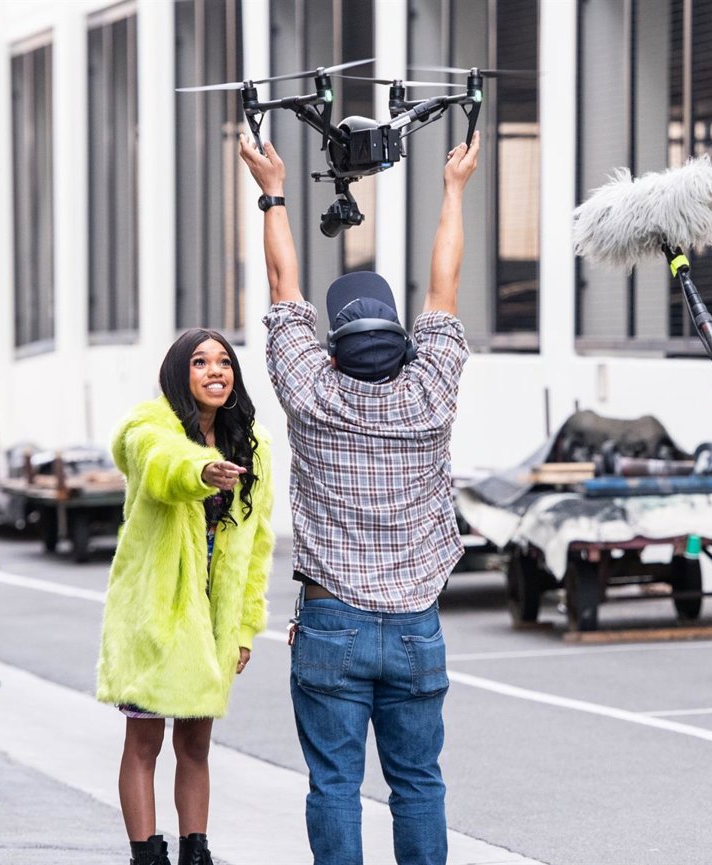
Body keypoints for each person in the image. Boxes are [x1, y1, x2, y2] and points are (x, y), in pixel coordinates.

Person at [239, 129, 480, 865]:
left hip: (330, 622)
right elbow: (444, 286)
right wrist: (454, 189)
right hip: (415, 625)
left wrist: (274, 191)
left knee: (335, 784)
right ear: (402, 340)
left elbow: (283, 289)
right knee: (418, 783)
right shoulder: (431, 393)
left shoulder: (311, 392)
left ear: (334, 345)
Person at [96, 329, 274, 865]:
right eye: (200, 362)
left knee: (196, 746)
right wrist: (201, 470)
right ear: (179, 373)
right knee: (144, 743)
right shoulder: (149, 426)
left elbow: (258, 546)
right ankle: (146, 855)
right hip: (156, 612)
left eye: (224, 362)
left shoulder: (252, 443)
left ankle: (196, 852)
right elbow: (161, 467)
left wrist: (244, 628)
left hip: (213, 617)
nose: (215, 371)